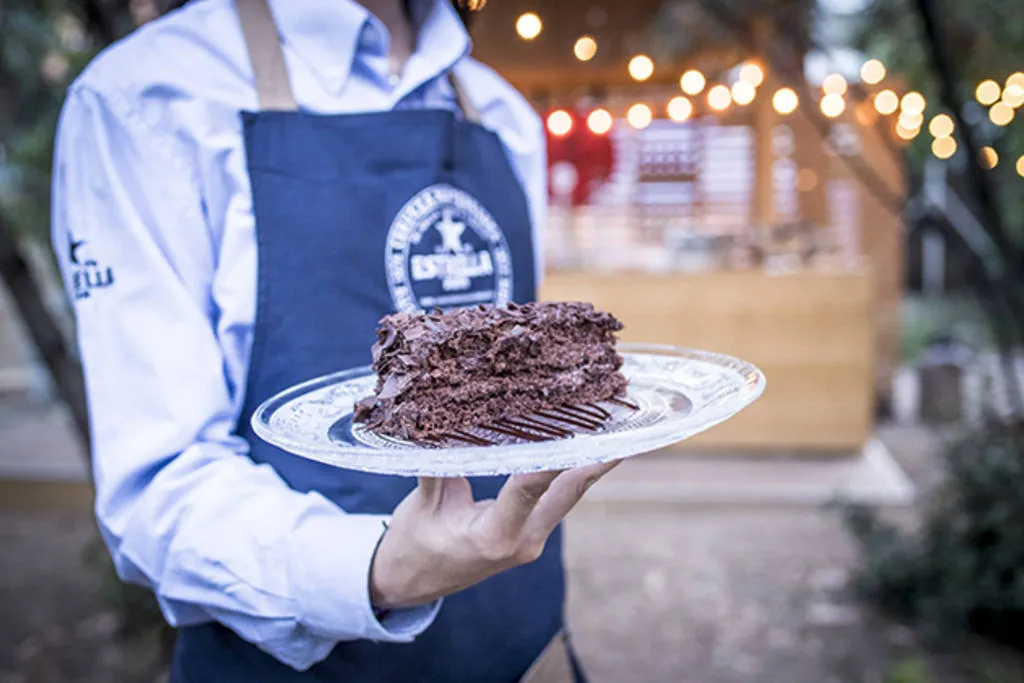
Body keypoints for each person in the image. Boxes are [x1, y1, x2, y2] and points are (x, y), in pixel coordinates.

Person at [50, 0, 622, 681]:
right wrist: (378, 569)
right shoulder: (148, 99)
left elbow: (517, 385)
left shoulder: (503, 116)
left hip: (529, 653)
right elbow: (157, 486)